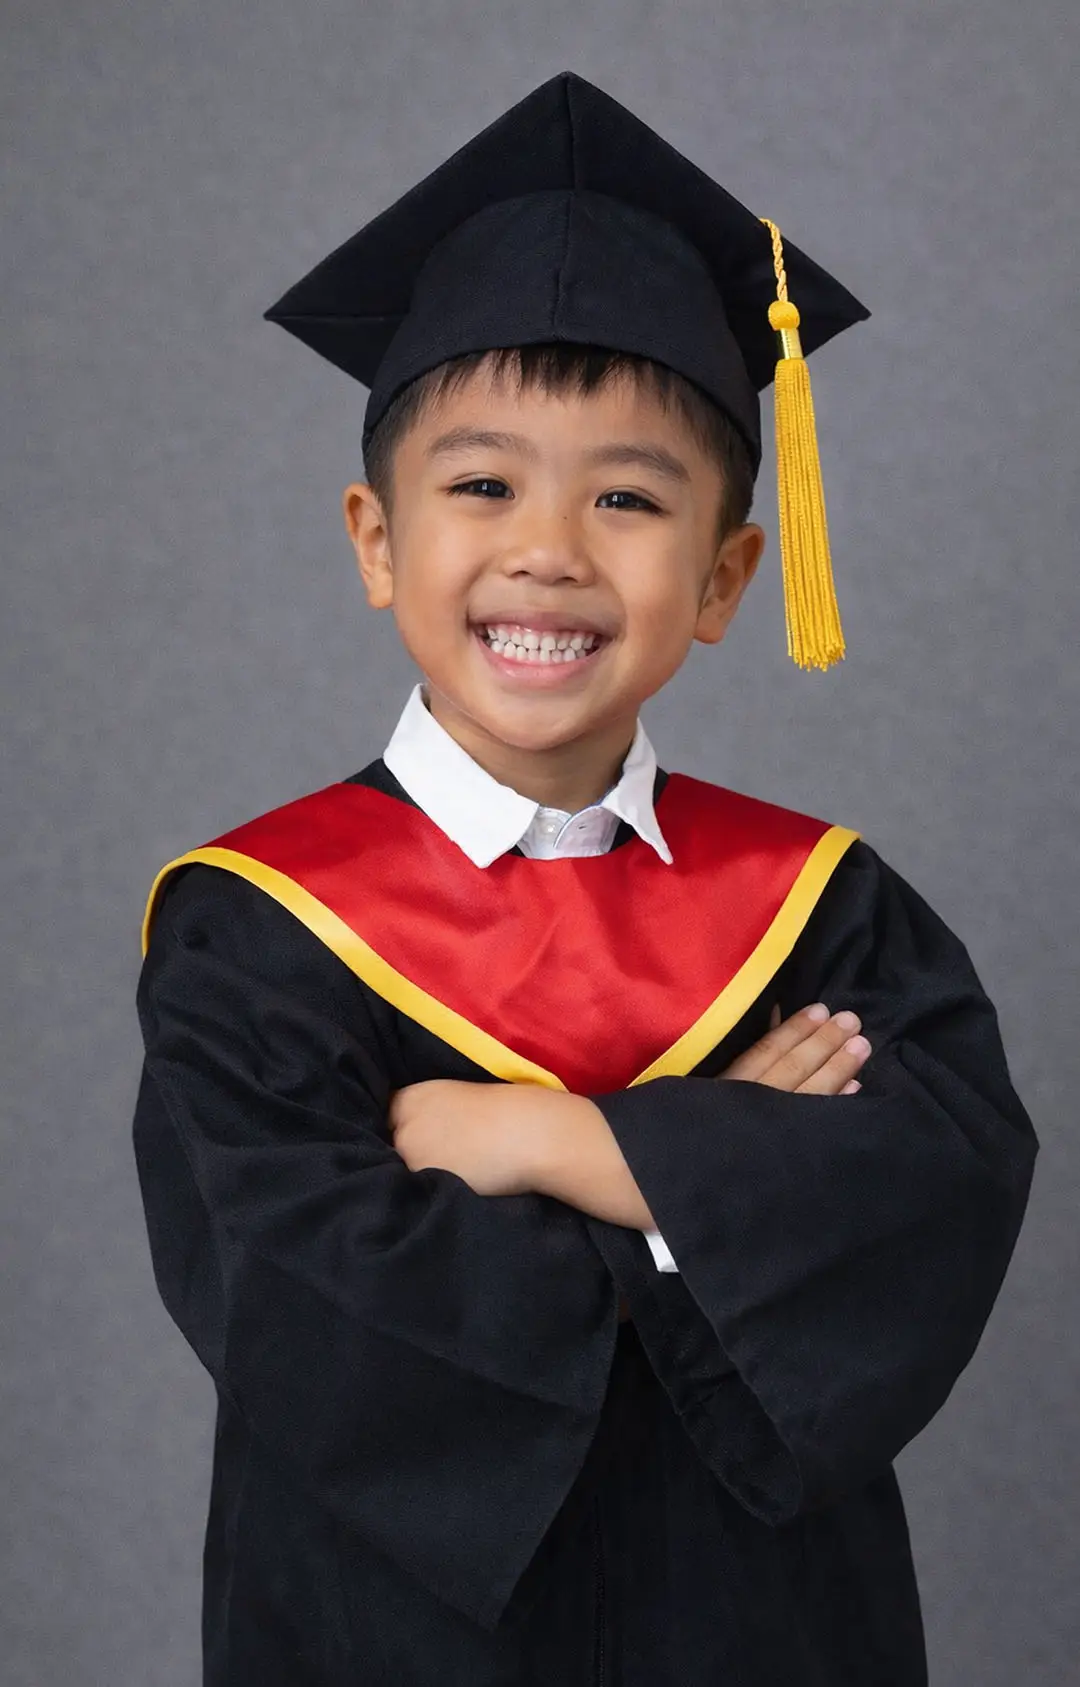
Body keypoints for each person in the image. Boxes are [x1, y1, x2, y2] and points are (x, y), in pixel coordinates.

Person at [132, 71, 1038, 1686]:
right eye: (483, 484)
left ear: (726, 575)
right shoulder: (255, 930)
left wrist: (547, 1144)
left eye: (627, 497)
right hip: (389, 1641)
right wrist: (712, 1177)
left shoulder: (828, 909)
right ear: (376, 539)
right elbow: (306, 1303)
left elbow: (932, 1199)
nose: (549, 548)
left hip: (774, 1637)